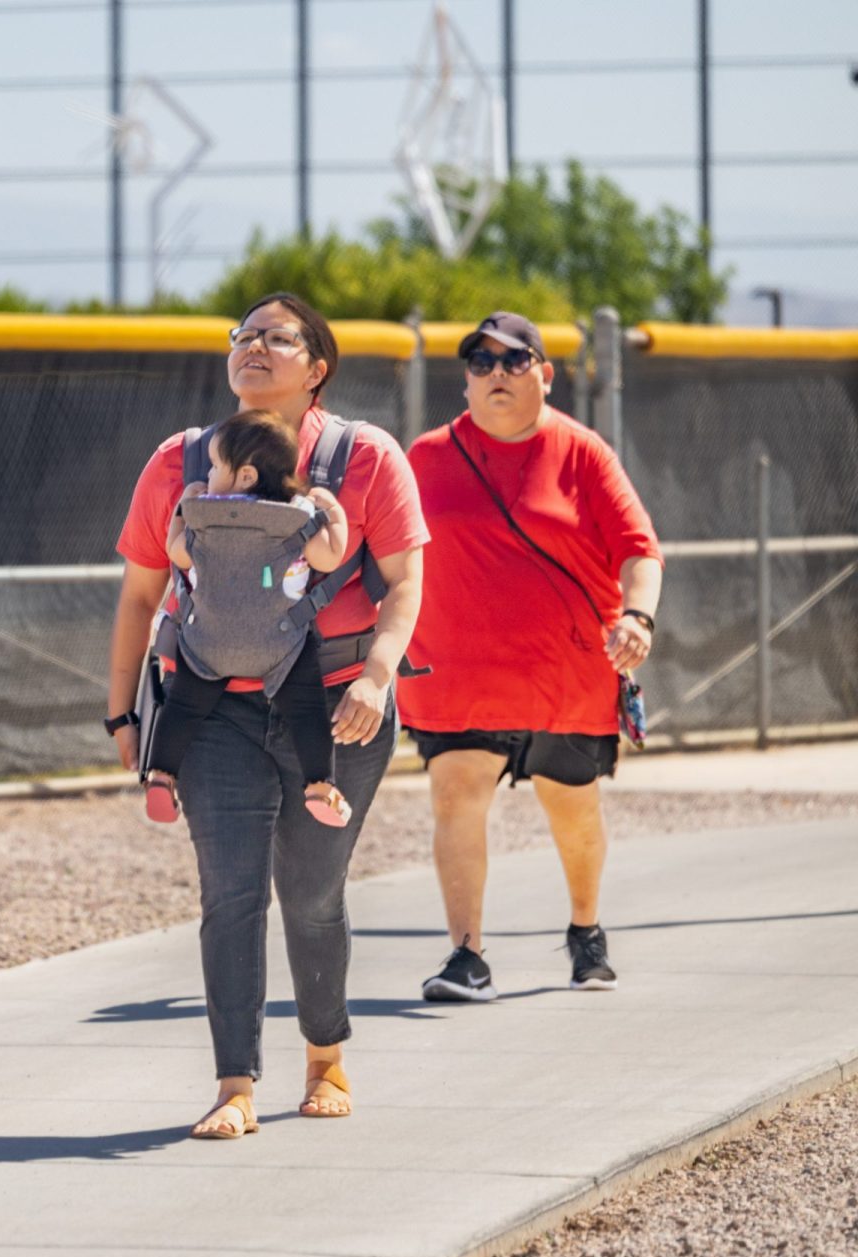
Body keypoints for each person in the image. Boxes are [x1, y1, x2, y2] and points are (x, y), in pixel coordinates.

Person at [106, 293, 428, 1139]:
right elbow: (143, 592)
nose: (253, 348)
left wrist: (379, 677)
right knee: (231, 894)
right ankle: (234, 1084)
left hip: (333, 704)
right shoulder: (180, 462)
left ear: (316, 366)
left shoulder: (365, 458)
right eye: (241, 336)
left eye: (276, 338)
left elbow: (404, 584)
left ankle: (326, 1057)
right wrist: (121, 717)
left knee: (312, 891)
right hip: (212, 708)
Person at [399, 312, 662, 1002]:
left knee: (571, 810)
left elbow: (640, 550)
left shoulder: (583, 453)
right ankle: (467, 956)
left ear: (545, 375)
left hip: (566, 674)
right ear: (464, 381)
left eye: (513, 362)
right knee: (456, 793)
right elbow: (380, 548)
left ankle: (585, 930)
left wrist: (638, 615)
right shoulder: (425, 458)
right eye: (480, 364)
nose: (495, 376)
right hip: (457, 674)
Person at [143, 409, 352, 828]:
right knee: (307, 709)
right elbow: (332, 555)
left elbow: (176, 552)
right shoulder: (296, 517)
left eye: (218, 465)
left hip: (209, 644)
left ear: (245, 477)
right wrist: (333, 512)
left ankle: (161, 777)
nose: (211, 473)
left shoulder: (204, 515)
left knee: (183, 706)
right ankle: (319, 785)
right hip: (280, 648)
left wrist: (186, 505)